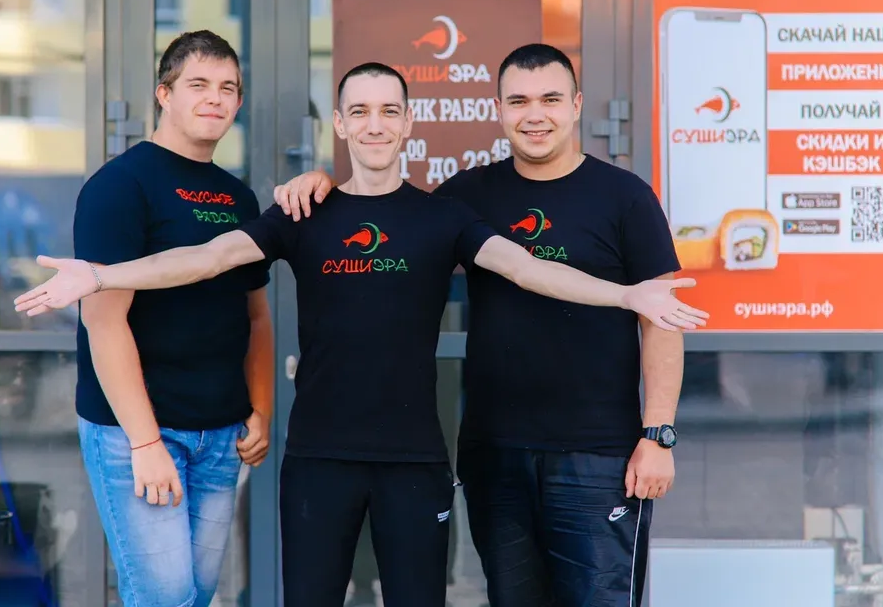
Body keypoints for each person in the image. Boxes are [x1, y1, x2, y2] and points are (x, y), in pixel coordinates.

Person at [13, 62, 707, 607]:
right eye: (361, 112)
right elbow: (206, 258)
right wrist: (101, 276)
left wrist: (627, 294)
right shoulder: (301, 214)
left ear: (409, 124)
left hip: (415, 462)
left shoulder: (444, 217)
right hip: (319, 459)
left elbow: (529, 270)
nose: (376, 125)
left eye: (389, 112)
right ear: (341, 124)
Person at [273, 44, 686, 607]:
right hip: (496, 453)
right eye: (518, 101)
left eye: (550, 100)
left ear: (576, 106)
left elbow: (661, 318)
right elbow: (387, 211)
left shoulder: (625, 196)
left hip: (597, 457)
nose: (534, 115)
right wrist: (320, 183)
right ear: (498, 110)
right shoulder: (467, 196)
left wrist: (657, 435)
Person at [68, 30, 274, 607]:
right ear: (165, 93)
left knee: (197, 595)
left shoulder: (239, 199)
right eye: (198, 84)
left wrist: (260, 406)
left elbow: (256, 315)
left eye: (228, 88)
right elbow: (103, 322)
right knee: (165, 598)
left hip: (221, 433)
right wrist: (145, 442)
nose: (215, 98)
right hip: (137, 431)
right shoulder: (120, 186)